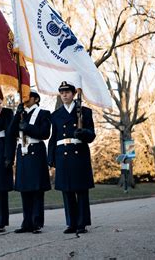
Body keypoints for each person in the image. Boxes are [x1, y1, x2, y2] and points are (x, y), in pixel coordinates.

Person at [47, 81, 96, 234]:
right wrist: (51, 157)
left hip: (78, 153)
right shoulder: (55, 115)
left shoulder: (85, 111)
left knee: (80, 190)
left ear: (74, 94)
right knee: (67, 191)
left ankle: (82, 224)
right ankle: (71, 223)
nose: (64, 95)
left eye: (67, 92)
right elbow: (53, 137)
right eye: (62, 93)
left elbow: (92, 134)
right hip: (62, 155)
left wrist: (84, 134)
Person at [7, 91, 51, 234]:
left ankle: (37, 222)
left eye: (27, 97)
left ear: (36, 99)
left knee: (37, 189)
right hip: (22, 152)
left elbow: (45, 133)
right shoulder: (21, 114)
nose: (24, 100)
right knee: (24, 189)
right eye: (23, 98)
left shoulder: (43, 113)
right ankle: (26, 222)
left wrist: (27, 127)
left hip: (35, 150)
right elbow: (10, 132)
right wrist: (16, 116)